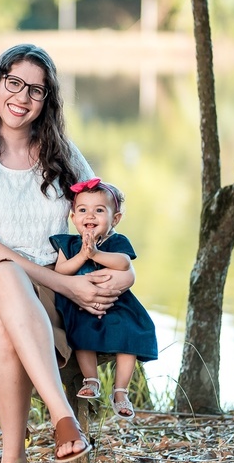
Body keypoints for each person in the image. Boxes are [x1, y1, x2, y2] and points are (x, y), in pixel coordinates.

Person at [0, 43, 134, 463]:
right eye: (14, 83)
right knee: (6, 275)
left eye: (36, 89)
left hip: (48, 286)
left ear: (47, 99)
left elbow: (100, 215)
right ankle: (61, 415)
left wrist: (118, 271)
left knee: (4, 327)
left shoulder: (63, 155)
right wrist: (68, 284)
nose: (23, 97)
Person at [51, 177, 158, 420]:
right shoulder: (68, 244)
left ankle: (120, 391)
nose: (90, 215)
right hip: (81, 307)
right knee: (81, 334)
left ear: (115, 219)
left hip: (116, 305)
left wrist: (95, 253)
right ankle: (91, 380)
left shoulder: (117, 242)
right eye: (82, 210)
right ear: (73, 217)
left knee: (130, 333)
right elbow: (61, 271)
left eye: (99, 210)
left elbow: (123, 263)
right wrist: (82, 255)